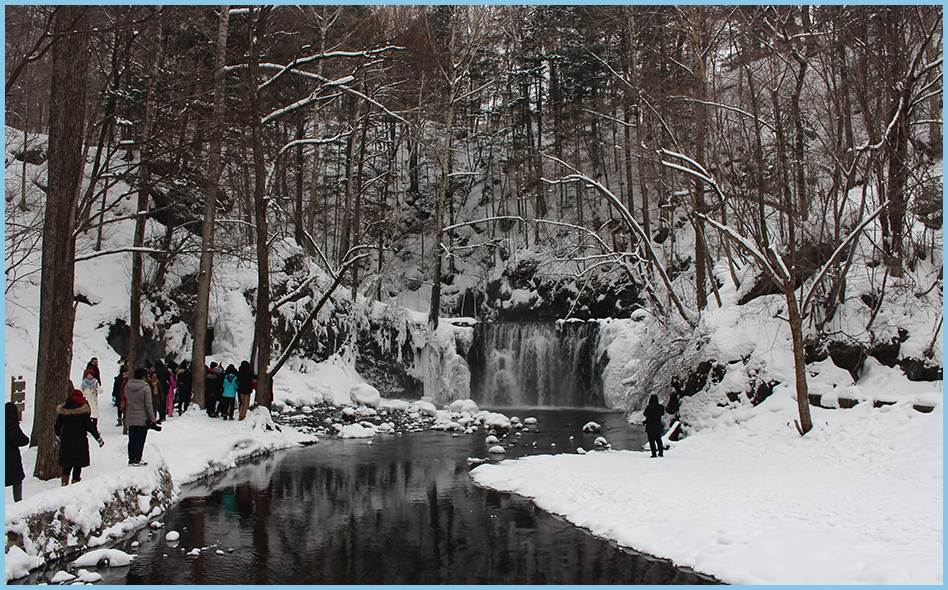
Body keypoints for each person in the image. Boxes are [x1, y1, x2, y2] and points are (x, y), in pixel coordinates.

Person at [54, 389, 104, 486]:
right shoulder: (83, 412)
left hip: (66, 441)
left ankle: (64, 483)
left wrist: (59, 435)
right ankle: (75, 482)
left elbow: (57, 427)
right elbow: (90, 427)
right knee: (77, 464)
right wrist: (98, 439)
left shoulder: (63, 411)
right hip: (79, 441)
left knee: (66, 463)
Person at [125, 367, 156, 466]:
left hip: (131, 416)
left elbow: (127, 397)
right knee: (140, 439)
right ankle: (137, 459)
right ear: (143, 377)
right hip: (142, 417)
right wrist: (152, 418)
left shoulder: (128, 386)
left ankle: (131, 458)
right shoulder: (145, 388)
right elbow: (148, 404)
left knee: (132, 438)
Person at [6, 402, 29, 502]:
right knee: (17, 481)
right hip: (11, 458)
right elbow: (21, 440)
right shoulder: (13, 426)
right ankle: (18, 503)